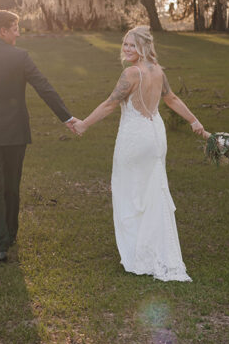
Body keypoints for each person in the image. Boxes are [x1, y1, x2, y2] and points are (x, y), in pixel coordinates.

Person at [74, 26, 208, 282]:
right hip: (156, 135)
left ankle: (140, 255)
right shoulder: (158, 71)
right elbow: (172, 99)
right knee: (153, 192)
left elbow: (110, 104)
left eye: (132, 45)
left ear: (144, 47)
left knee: (130, 192)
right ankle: (156, 248)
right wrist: (194, 121)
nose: (126, 49)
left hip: (135, 137)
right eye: (125, 44)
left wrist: (84, 124)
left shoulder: (131, 73)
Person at [0, 10, 78, 263]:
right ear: (2, 30)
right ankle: (10, 234)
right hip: (15, 134)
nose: (17, 33)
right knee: (11, 186)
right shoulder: (20, 57)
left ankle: (0, 246)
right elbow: (43, 87)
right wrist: (66, 117)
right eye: (15, 28)